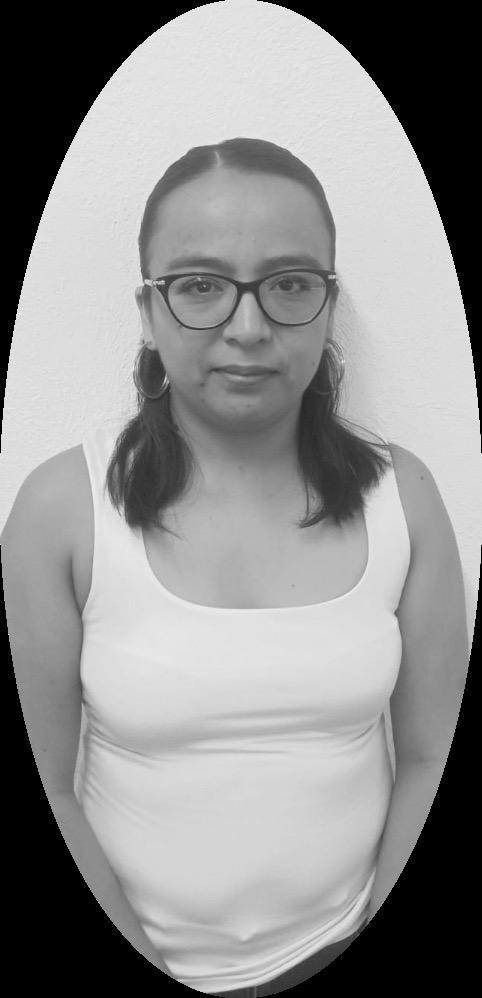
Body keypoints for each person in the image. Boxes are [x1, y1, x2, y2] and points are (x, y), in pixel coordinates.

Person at [1, 138, 468, 996]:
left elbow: (434, 754)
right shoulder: (61, 511)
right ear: (148, 311)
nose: (247, 328)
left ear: (328, 304)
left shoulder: (404, 498)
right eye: (200, 285)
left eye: (288, 284)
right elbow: (47, 787)